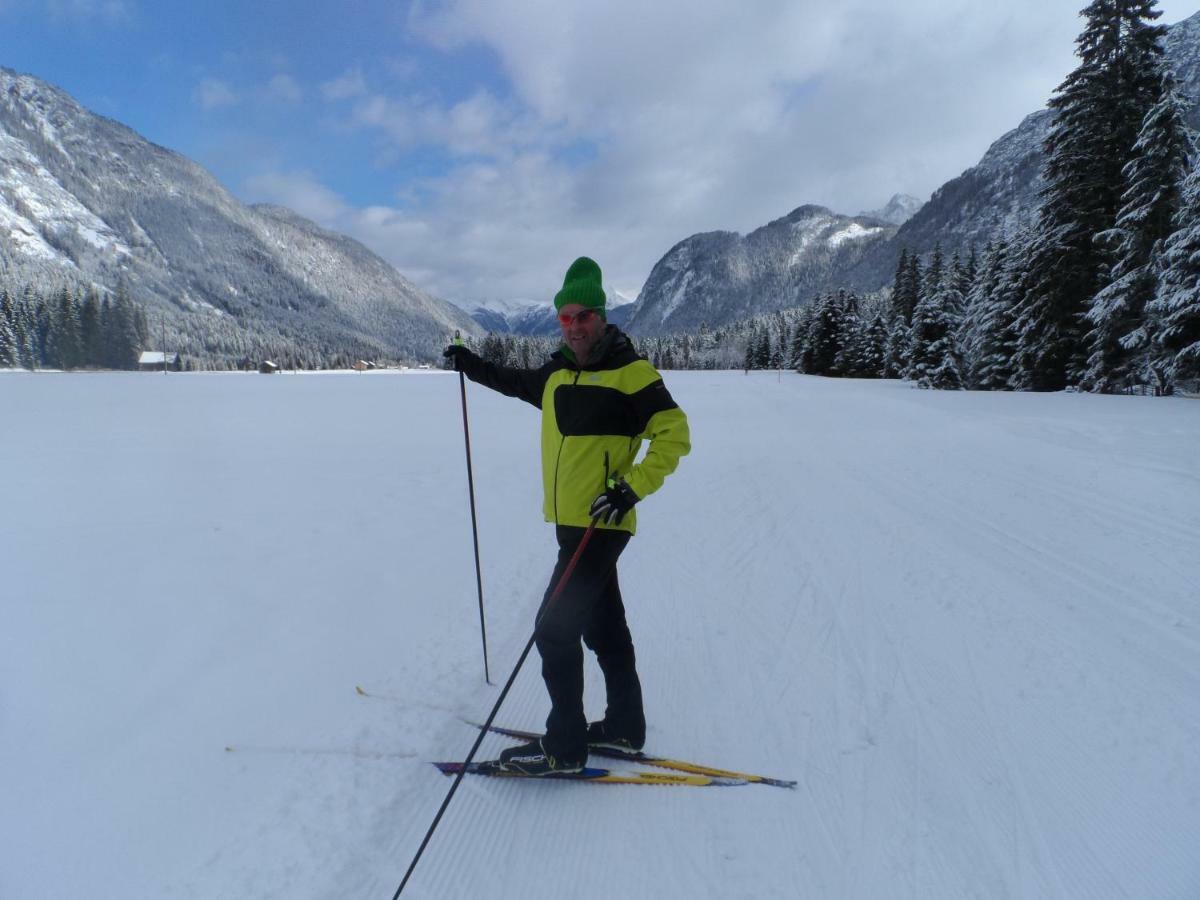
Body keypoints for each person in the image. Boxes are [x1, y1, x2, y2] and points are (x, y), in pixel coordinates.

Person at [443, 256, 691, 776]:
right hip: (571, 525)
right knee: (604, 629)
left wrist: (631, 488)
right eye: (566, 317)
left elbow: (675, 434)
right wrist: (470, 363)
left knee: (554, 629)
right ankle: (625, 727)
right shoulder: (558, 373)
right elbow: (514, 382)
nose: (575, 327)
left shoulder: (631, 373)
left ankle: (564, 747)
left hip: (601, 523)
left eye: (584, 316)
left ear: (602, 316)